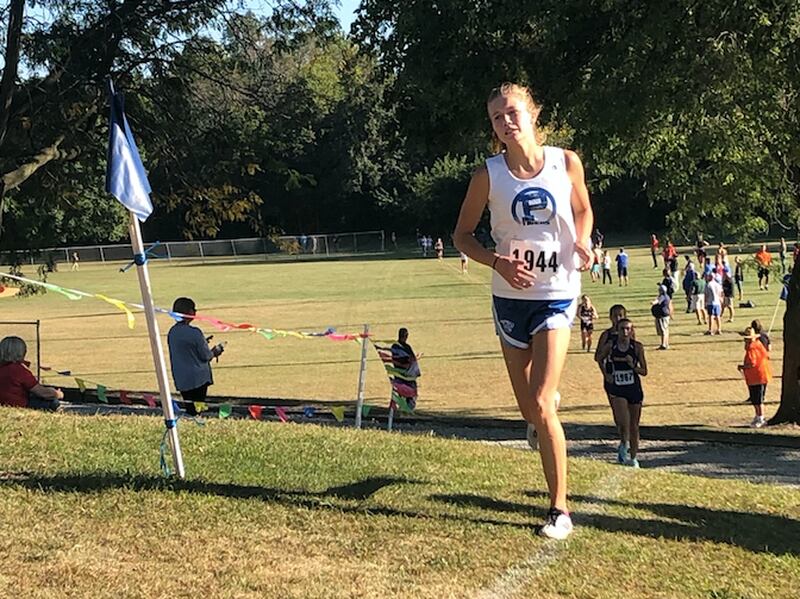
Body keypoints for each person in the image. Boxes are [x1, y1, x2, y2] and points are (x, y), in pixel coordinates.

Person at [453, 82, 593, 540]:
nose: (506, 122)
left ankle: (559, 510)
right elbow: (462, 236)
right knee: (529, 408)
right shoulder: (487, 176)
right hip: (509, 299)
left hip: (556, 292)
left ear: (533, 113)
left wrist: (584, 240)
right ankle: (541, 414)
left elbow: (583, 210)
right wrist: (498, 263)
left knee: (539, 401)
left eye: (513, 112)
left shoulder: (565, 162)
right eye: (497, 117)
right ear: (492, 128)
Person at [596, 318, 647, 467]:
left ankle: (634, 457)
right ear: (617, 330)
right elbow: (599, 359)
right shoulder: (611, 346)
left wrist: (633, 366)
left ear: (632, 331)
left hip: (634, 388)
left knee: (634, 426)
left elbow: (644, 371)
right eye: (623, 329)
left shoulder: (637, 347)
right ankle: (623, 445)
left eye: (628, 329)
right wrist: (607, 374)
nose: (625, 332)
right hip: (618, 388)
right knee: (624, 423)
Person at [167, 297, 225, 415]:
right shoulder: (195, 332)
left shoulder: (172, 332)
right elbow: (206, 356)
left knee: (190, 407)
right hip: (198, 378)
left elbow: (185, 348)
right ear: (189, 312)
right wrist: (215, 351)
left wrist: (202, 342)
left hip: (181, 377)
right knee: (198, 407)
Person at [594, 304, 628, 462]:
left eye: (621, 315)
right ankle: (623, 441)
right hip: (612, 377)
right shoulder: (606, 335)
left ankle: (626, 442)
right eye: (615, 316)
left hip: (628, 378)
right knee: (619, 414)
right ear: (610, 317)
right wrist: (605, 373)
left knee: (630, 413)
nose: (618, 319)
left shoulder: (630, 332)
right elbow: (598, 357)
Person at [0, 336, 63, 411]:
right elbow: (41, 392)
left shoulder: (4, 367)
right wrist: (57, 394)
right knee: (53, 402)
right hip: (19, 405)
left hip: (3, 403)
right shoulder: (18, 370)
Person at [737, 327, 771, 428]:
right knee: (755, 398)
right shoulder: (758, 345)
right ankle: (758, 416)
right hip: (758, 376)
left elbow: (752, 363)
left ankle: (761, 417)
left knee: (758, 399)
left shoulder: (752, 348)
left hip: (758, 376)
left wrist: (742, 367)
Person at [391, 327, 420, 409]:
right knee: (405, 394)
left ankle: (408, 408)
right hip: (402, 375)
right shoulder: (396, 347)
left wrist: (415, 358)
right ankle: (405, 409)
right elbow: (402, 360)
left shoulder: (406, 347)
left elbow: (411, 358)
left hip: (410, 374)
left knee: (411, 394)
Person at [651, 284, 673, 349]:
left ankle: (663, 344)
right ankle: (666, 344)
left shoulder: (662, 296)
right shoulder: (668, 296)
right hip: (666, 315)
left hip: (662, 316)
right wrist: (671, 314)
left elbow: (658, 301)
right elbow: (670, 306)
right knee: (666, 330)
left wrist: (653, 302)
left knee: (663, 330)